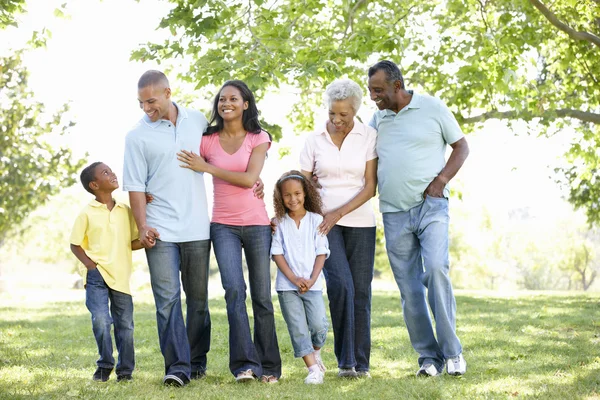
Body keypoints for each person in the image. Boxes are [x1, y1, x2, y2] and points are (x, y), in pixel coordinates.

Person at [367, 60, 470, 377]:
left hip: (431, 207)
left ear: (397, 86)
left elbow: (461, 147)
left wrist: (440, 182)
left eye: (379, 90)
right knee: (410, 289)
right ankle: (428, 358)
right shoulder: (377, 119)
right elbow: (362, 158)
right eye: (371, 90)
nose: (374, 97)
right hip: (394, 212)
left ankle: (453, 353)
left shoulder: (432, 107)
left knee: (437, 270)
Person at [177, 80, 281, 383]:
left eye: (234, 99)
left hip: (257, 225)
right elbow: (180, 163)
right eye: (222, 99)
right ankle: (245, 366)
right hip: (223, 225)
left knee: (262, 296)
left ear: (245, 104)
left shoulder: (258, 137)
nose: (226, 104)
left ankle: (270, 366)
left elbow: (250, 179)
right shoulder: (207, 140)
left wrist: (208, 168)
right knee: (234, 292)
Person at [123, 70, 213, 387]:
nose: (147, 108)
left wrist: (253, 178)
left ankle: (196, 360)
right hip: (160, 230)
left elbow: (225, 148)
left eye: (151, 101)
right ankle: (177, 366)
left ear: (168, 92)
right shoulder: (136, 136)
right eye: (141, 103)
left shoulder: (198, 120)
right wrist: (142, 225)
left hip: (198, 227)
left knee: (199, 300)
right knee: (167, 301)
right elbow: (134, 186)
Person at [299, 79, 378, 378]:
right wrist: (320, 208)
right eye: (332, 113)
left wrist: (338, 212)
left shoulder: (368, 136)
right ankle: (346, 363)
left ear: (355, 110)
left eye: (343, 114)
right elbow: (301, 181)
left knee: (361, 292)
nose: (336, 119)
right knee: (341, 287)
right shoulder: (314, 139)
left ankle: (362, 364)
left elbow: (370, 186)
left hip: (360, 222)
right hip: (323, 224)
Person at [70, 162, 142, 383]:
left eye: (110, 170)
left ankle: (125, 371)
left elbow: (133, 242)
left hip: (120, 275)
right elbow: (75, 244)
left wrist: (146, 240)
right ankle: (104, 365)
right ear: (94, 185)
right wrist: (91, 266)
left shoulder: (125, 210)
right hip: (97, 275)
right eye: (105, 173)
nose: (112, 174)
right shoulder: (86, 213)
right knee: (101, 320)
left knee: (126, 326)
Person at [270, 171, 330, 385]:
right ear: (280, 197)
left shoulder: (316, 220)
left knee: (318, 325)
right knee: (297, 327)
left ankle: (316, 352)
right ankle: (313, 369)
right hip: (288, 286)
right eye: (287, 195)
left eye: (297, 193)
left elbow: (321, 251)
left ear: (305, 193)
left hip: (313, 285)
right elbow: (277, 254)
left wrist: (312, 279)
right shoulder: (279, 223)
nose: (293, 199)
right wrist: (295, 279)